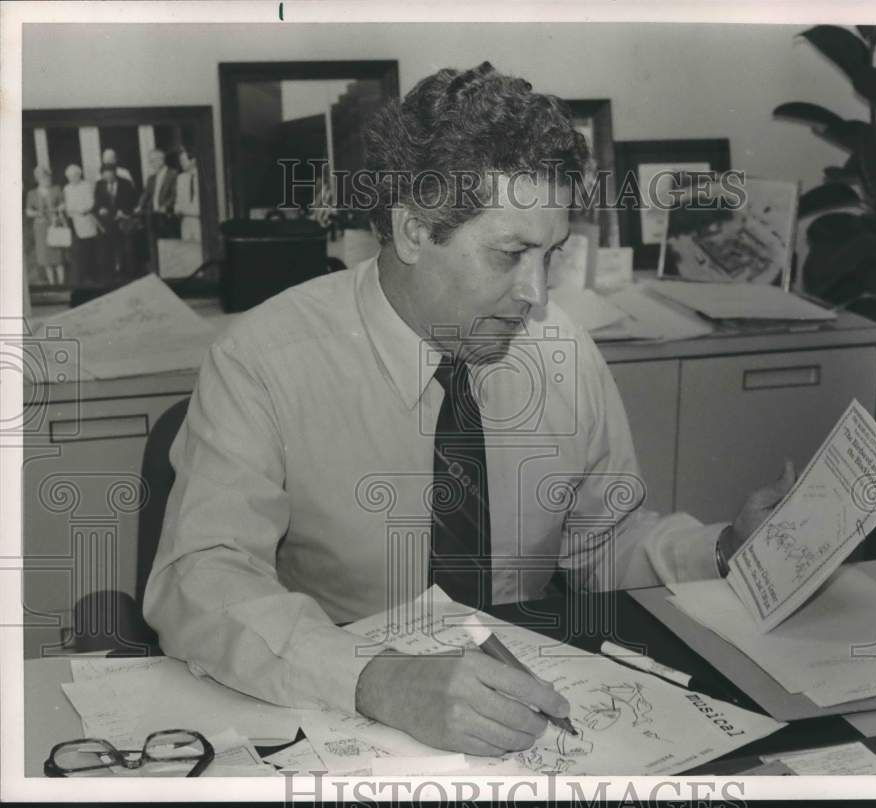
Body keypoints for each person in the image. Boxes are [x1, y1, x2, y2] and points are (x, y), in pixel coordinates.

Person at [144, 63, 794, 757]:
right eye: (510, 254)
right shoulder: (265, 360)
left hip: (534, 717)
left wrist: (725, 551)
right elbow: (202, 580)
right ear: (414, 231)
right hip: (347, 721)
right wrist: (379, 681)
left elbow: (603, 541)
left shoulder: (562, 353)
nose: (537, 295)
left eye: (552, 254)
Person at [94, 163, 139, 279]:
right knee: (110, 248)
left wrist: (124, 211)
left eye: (110, 176)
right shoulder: (99, 185)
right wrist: (101, 209)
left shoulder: (126, 184)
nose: (108, 179)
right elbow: (97, 202)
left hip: (124, 221)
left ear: (115, 173)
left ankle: (130, 274)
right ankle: (112, 274)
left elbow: (133, 201)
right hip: (109, 222)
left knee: (128, 249)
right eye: (105, 177)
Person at [24, 165, 66, 286]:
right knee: (46, 258)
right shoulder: (31, 193)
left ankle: (62, 283)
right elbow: (27, 211)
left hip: (55, 224)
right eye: (43, 177)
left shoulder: (56, 189)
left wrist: (58, 209)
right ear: (38, 179)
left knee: (58, 257)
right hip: (41, 227)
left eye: (48, 177)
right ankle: (52, 284)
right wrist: (37, 213)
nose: (47, 180)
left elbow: (63, 204)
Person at [61, 164, 100, 288]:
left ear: (80, 174)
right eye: (70, 176)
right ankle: (83, 277)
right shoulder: (67, 188)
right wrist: (74, 211)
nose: (73, 178)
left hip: (87, 219)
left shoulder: (86, 185)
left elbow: (91, 202)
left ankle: (94, 276)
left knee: (91, 248)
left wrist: (81, 209)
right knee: (79, 251)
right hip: (75, 222)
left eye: (76, 175)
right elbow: (68, 206)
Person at [135, 148, 178, 238]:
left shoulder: (173, 174)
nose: (151, 164)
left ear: (161, 160)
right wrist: (139, 206)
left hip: (168, 215)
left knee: (168, 241)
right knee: (154, 240)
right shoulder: (151, 178)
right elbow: (146, 194)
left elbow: (175, 195)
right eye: (150, 161)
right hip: (153, 215)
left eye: (153, 161)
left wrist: (165, 206)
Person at [174, 148, 200, 242]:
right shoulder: (180, 178)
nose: (181, 163)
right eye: (180, 161)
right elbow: (177, 201)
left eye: (183, 160)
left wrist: (184, 210)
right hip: (185, 221)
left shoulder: (203, 178)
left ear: (193, 161)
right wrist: (177, 209)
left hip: (200, 222)